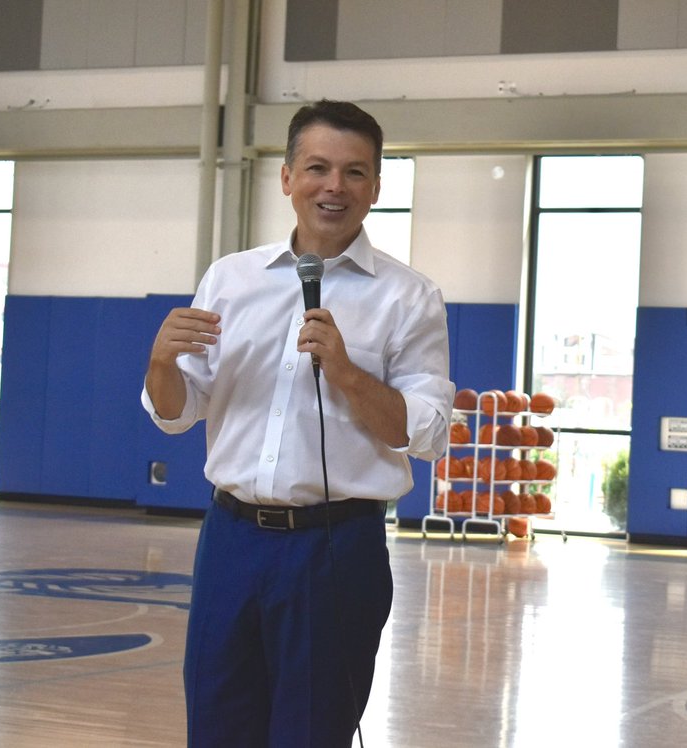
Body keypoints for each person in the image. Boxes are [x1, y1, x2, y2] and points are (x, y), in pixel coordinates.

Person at [142, 100, 453, 747]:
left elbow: (426, 432)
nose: (334, 186)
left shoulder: (409, 296)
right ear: (286, 177)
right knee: (216, 727)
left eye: (354, 172)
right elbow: (177, 412)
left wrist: (346, 373)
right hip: (230, 541)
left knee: (311, 734)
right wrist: (160, 363)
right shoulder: (231, 279)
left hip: (336, 548)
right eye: (317, 168)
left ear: (376, 187)